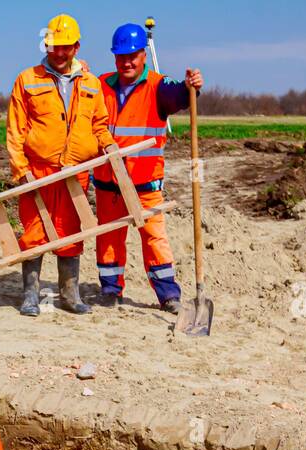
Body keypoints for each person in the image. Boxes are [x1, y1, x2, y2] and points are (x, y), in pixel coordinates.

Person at [7, 13, 114, 316]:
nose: (58, 52)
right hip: (37, 171)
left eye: (65, 47)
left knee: (70, 232)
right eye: (53, 46)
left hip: (75, 173)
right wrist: (20, 169)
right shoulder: (28, 80)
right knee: (34, 232)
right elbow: (15, 130)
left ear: (76, 47)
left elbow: (100, 124)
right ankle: (31, 295)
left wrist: (109, 145)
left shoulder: (91, 83)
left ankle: (70, 294)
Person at [92, 22, 203, 313]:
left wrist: (190, 87)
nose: (126, 62)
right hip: (109, 184)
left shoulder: (157, 85)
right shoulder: (101, 84)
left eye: (132, 56)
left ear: (143, 55)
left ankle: (168, 295)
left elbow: (178, 95)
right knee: (108, 239)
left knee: (155, 239)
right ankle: (110, 291)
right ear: (114, 58)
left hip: (145, 185)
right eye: (121, 57)